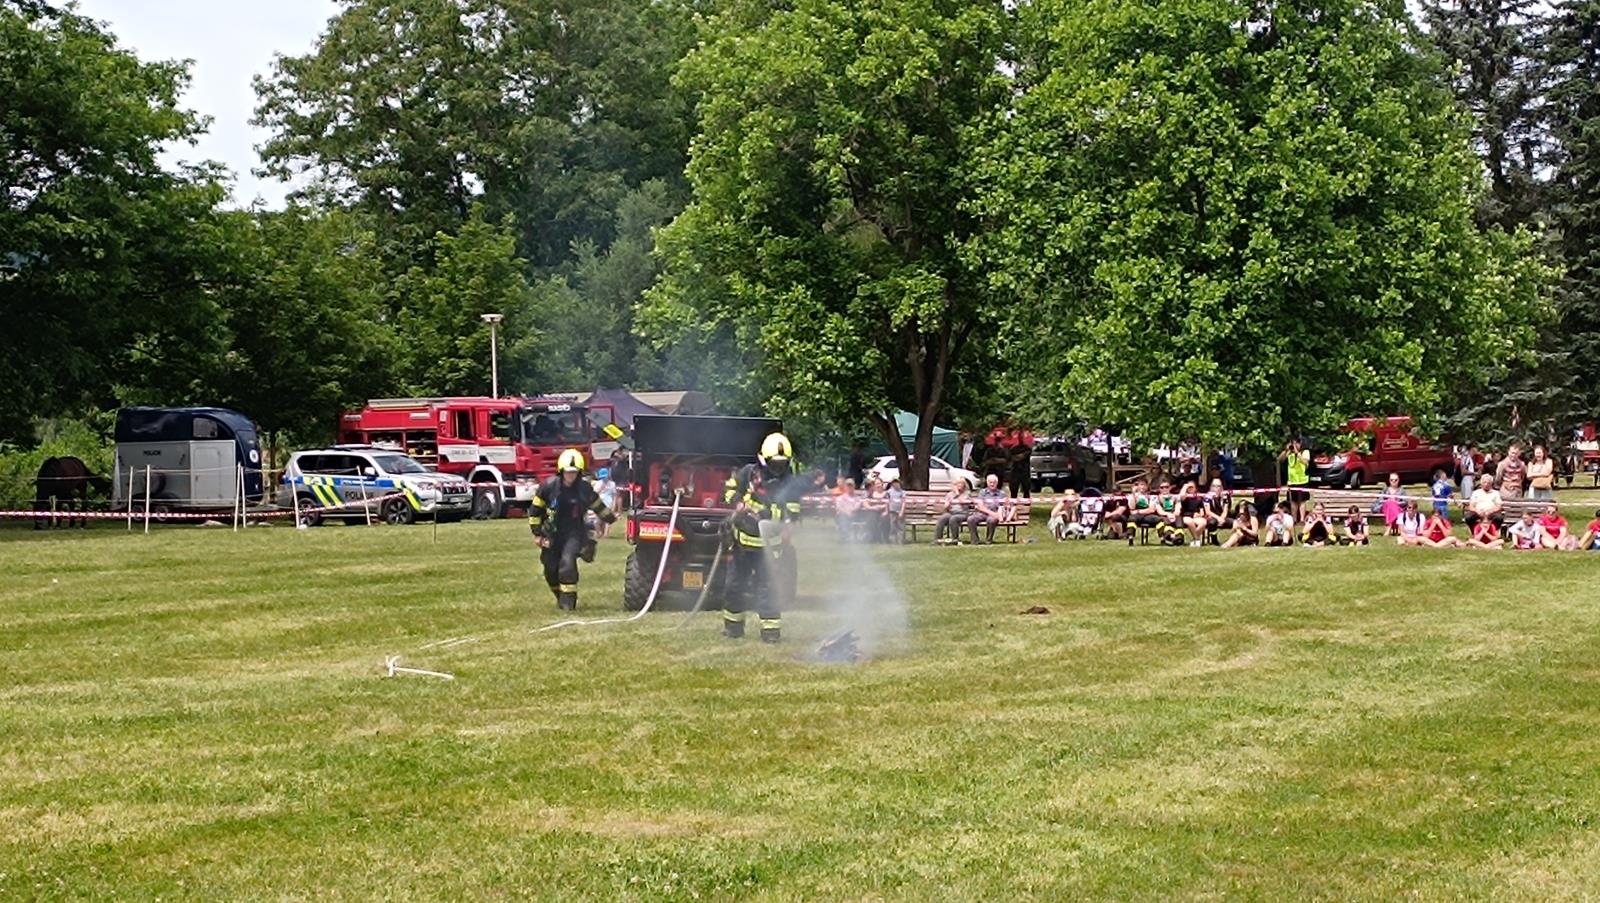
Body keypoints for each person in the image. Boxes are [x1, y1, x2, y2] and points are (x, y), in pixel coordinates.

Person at [721, 432, 801, 641]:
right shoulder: (747, 474)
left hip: (769, 548)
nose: (779, 469)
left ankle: (771, 632)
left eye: (783, 464)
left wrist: (786, 523)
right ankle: (733, 628)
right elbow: (728, 490)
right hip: (742, 544)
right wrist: (738, 503)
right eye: (775, 464)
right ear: (763, 460)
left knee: (768, 588)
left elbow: (792, 512)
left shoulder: (789, 483)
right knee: (734, 586)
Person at [528, 448, 616, 611]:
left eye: (574, 472)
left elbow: (597, 505)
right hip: (552, 532)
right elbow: (535, 511)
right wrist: (537, 534)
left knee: (567, 563)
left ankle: (568, 603)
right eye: (568, 472)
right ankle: (560, 596)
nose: (571, 475)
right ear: (561, 471)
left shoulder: (584, 488)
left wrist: (610, 518)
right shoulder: (548, 487)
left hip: (574, 532)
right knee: (550, 568)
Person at [973, 473, 1011, 544]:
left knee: (991, 520)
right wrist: (992, 513)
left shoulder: (1002, 493)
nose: (992, 484)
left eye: (994, 482)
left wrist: (1006, 508)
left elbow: (1006, 505)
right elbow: (980, 507)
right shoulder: (982, 492)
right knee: (971, 519)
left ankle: (988, 540)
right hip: (983, 513)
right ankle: (975, 540)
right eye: (990, 482)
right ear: (987, 483)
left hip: (996, 513)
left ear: (997, 483)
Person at [1280, 438, 1312, 522]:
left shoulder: (1305, 452)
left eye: (1296, 444)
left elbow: (1305, 462)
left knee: (1302, 501)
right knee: (1293, 501)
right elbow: (1281, 459)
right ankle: (1294, 519)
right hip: (1292, 481)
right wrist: (1286, 450)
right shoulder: (1289, 453)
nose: (1294, 446)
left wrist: (1297, 453)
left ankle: (1301, 519)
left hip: (1302, 480)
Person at [934, 481, 975, 546]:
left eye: (961, 484)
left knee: (953, 519)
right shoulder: (949, 494)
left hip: (963, 513)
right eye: (957, 484)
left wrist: (957, 494)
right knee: (943, 518)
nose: (959, 486)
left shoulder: (967, 494)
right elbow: (945, 508)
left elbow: (964, 504)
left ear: (964, 486)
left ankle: (955, 539)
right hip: (951, 512)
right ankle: (937, 539)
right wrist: (947, 506)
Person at [1202, 478, 1232, 544]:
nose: (1216, 488)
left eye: (1218, 486)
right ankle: (1214, 539)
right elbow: (1208, 511)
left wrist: (1221, 518)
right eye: (1214, 486)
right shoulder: (1207, 497)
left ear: (1221, 487)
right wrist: (1218, 518)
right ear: (1210, 487)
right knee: (1212, 522)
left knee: (1235, 522)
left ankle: (1235, 540)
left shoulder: (1225, 496)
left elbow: (1225, 510)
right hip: (1211, 517)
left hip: (1222, 517)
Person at [1179, 481, 1208, 546]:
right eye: (1189, 487)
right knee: (1189, 522)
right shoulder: (1185, 497)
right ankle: (1197, 539)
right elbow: (1181, 495)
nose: (1190, 489)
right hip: (1186, 516)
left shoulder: (1199, 498)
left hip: (1196, 516)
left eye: (1192, 487)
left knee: (1203, 522)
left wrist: (1199, 514)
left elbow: (1202, 511)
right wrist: (1185, 486)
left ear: (1195, 488)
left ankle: (1194, 539)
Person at [1008, 428, 1033, 501]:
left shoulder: (1027, 448)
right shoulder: (1013, 448)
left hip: (1025, 470)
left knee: (1026, 488)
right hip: (1015, 470)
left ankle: (1026, 504)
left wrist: (1018, 457)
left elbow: (1023, 456)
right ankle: (1013, 503)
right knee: (1013, 488)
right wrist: (1018, 457)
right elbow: (1012, 458)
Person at [593, 467, 618, 538]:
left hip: (608, 503)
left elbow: (614, 495)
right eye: (602, 478)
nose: (604, 479)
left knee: (607, 521)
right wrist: (600, 488)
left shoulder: (612, 484)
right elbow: (595, 494)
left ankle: (605, 535)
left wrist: (614, 505)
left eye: (605, 477)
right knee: (597, 521)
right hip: (599, 503)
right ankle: (599, 532)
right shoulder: (598, 483)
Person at [885, 478, 907, 543]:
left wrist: (902, 511)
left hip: (900, 511)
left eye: (897, 482)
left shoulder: (902, 492)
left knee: (901, 526)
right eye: (894, 483)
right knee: (893, 526)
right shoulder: (889, 492)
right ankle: (893, 540)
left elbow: (904, 502)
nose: (895, 484)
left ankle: (901, 540)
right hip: (892, 511)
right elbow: (887, 501)